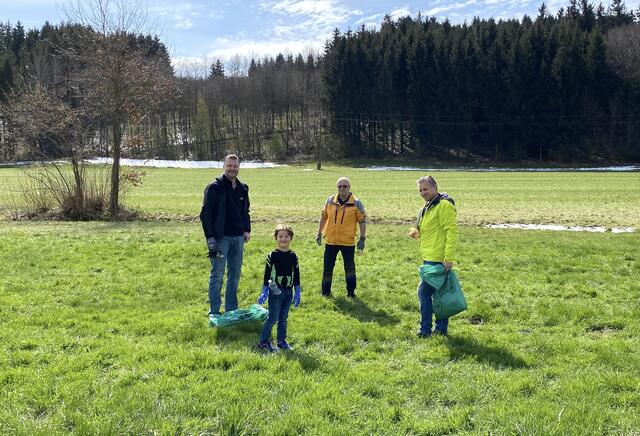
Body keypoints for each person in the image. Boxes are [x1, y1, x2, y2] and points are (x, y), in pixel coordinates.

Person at [199, 154, 251, 318]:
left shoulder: (243, 188)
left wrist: (247, 229)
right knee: (217, 276)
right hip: (221, 239)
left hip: (238, 238)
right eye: (229, 166)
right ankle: (214, 312)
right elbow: (205, 215)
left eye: (235, 166)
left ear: (239, 167)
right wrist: (211, 239)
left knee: (234, 275)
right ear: (224, 166)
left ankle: (231, 310)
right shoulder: (214, 188)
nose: (232, 169)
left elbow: (245, 212)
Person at [409, 175, 458, 337]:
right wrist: (416, 233)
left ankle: (425, 330)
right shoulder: (427, 207)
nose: (423, 193)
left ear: (434, 188)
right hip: (428, 257)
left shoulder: (443, 205)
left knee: (423, 292)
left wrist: (448, 258)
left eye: (425, 189)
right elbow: (426, 230)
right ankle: (441, 330)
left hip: (439, 259)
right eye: (420, 190)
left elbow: (451, 232)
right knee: (438, 295)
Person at [316, 177, 367, 298]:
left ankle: (351, 292)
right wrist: (319, 233)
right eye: (339, 186)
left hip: (348, 243)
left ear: (349, 188)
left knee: (349, 268)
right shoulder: (329, 201)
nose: (342, 188)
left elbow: (362, 221)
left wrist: (362, 238)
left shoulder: (356, 203)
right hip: (330, 241)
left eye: (345, 186)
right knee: (327, 268)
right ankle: (325, 292)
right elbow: (324, 217)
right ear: (337, 187)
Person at [257, 224, 301, 352]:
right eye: (280, 236)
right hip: (275, 291)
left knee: (283, 318)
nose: (283, 239)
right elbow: (266, 275)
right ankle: (263, 342)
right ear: (276, 238)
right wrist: (264, 291)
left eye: (286, 236)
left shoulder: (293, 256)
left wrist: (297, 292)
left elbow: (297, 275)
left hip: (288, 292)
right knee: (273, 318)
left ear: (290, 238)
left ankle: (281, 342)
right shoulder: (272, 255)